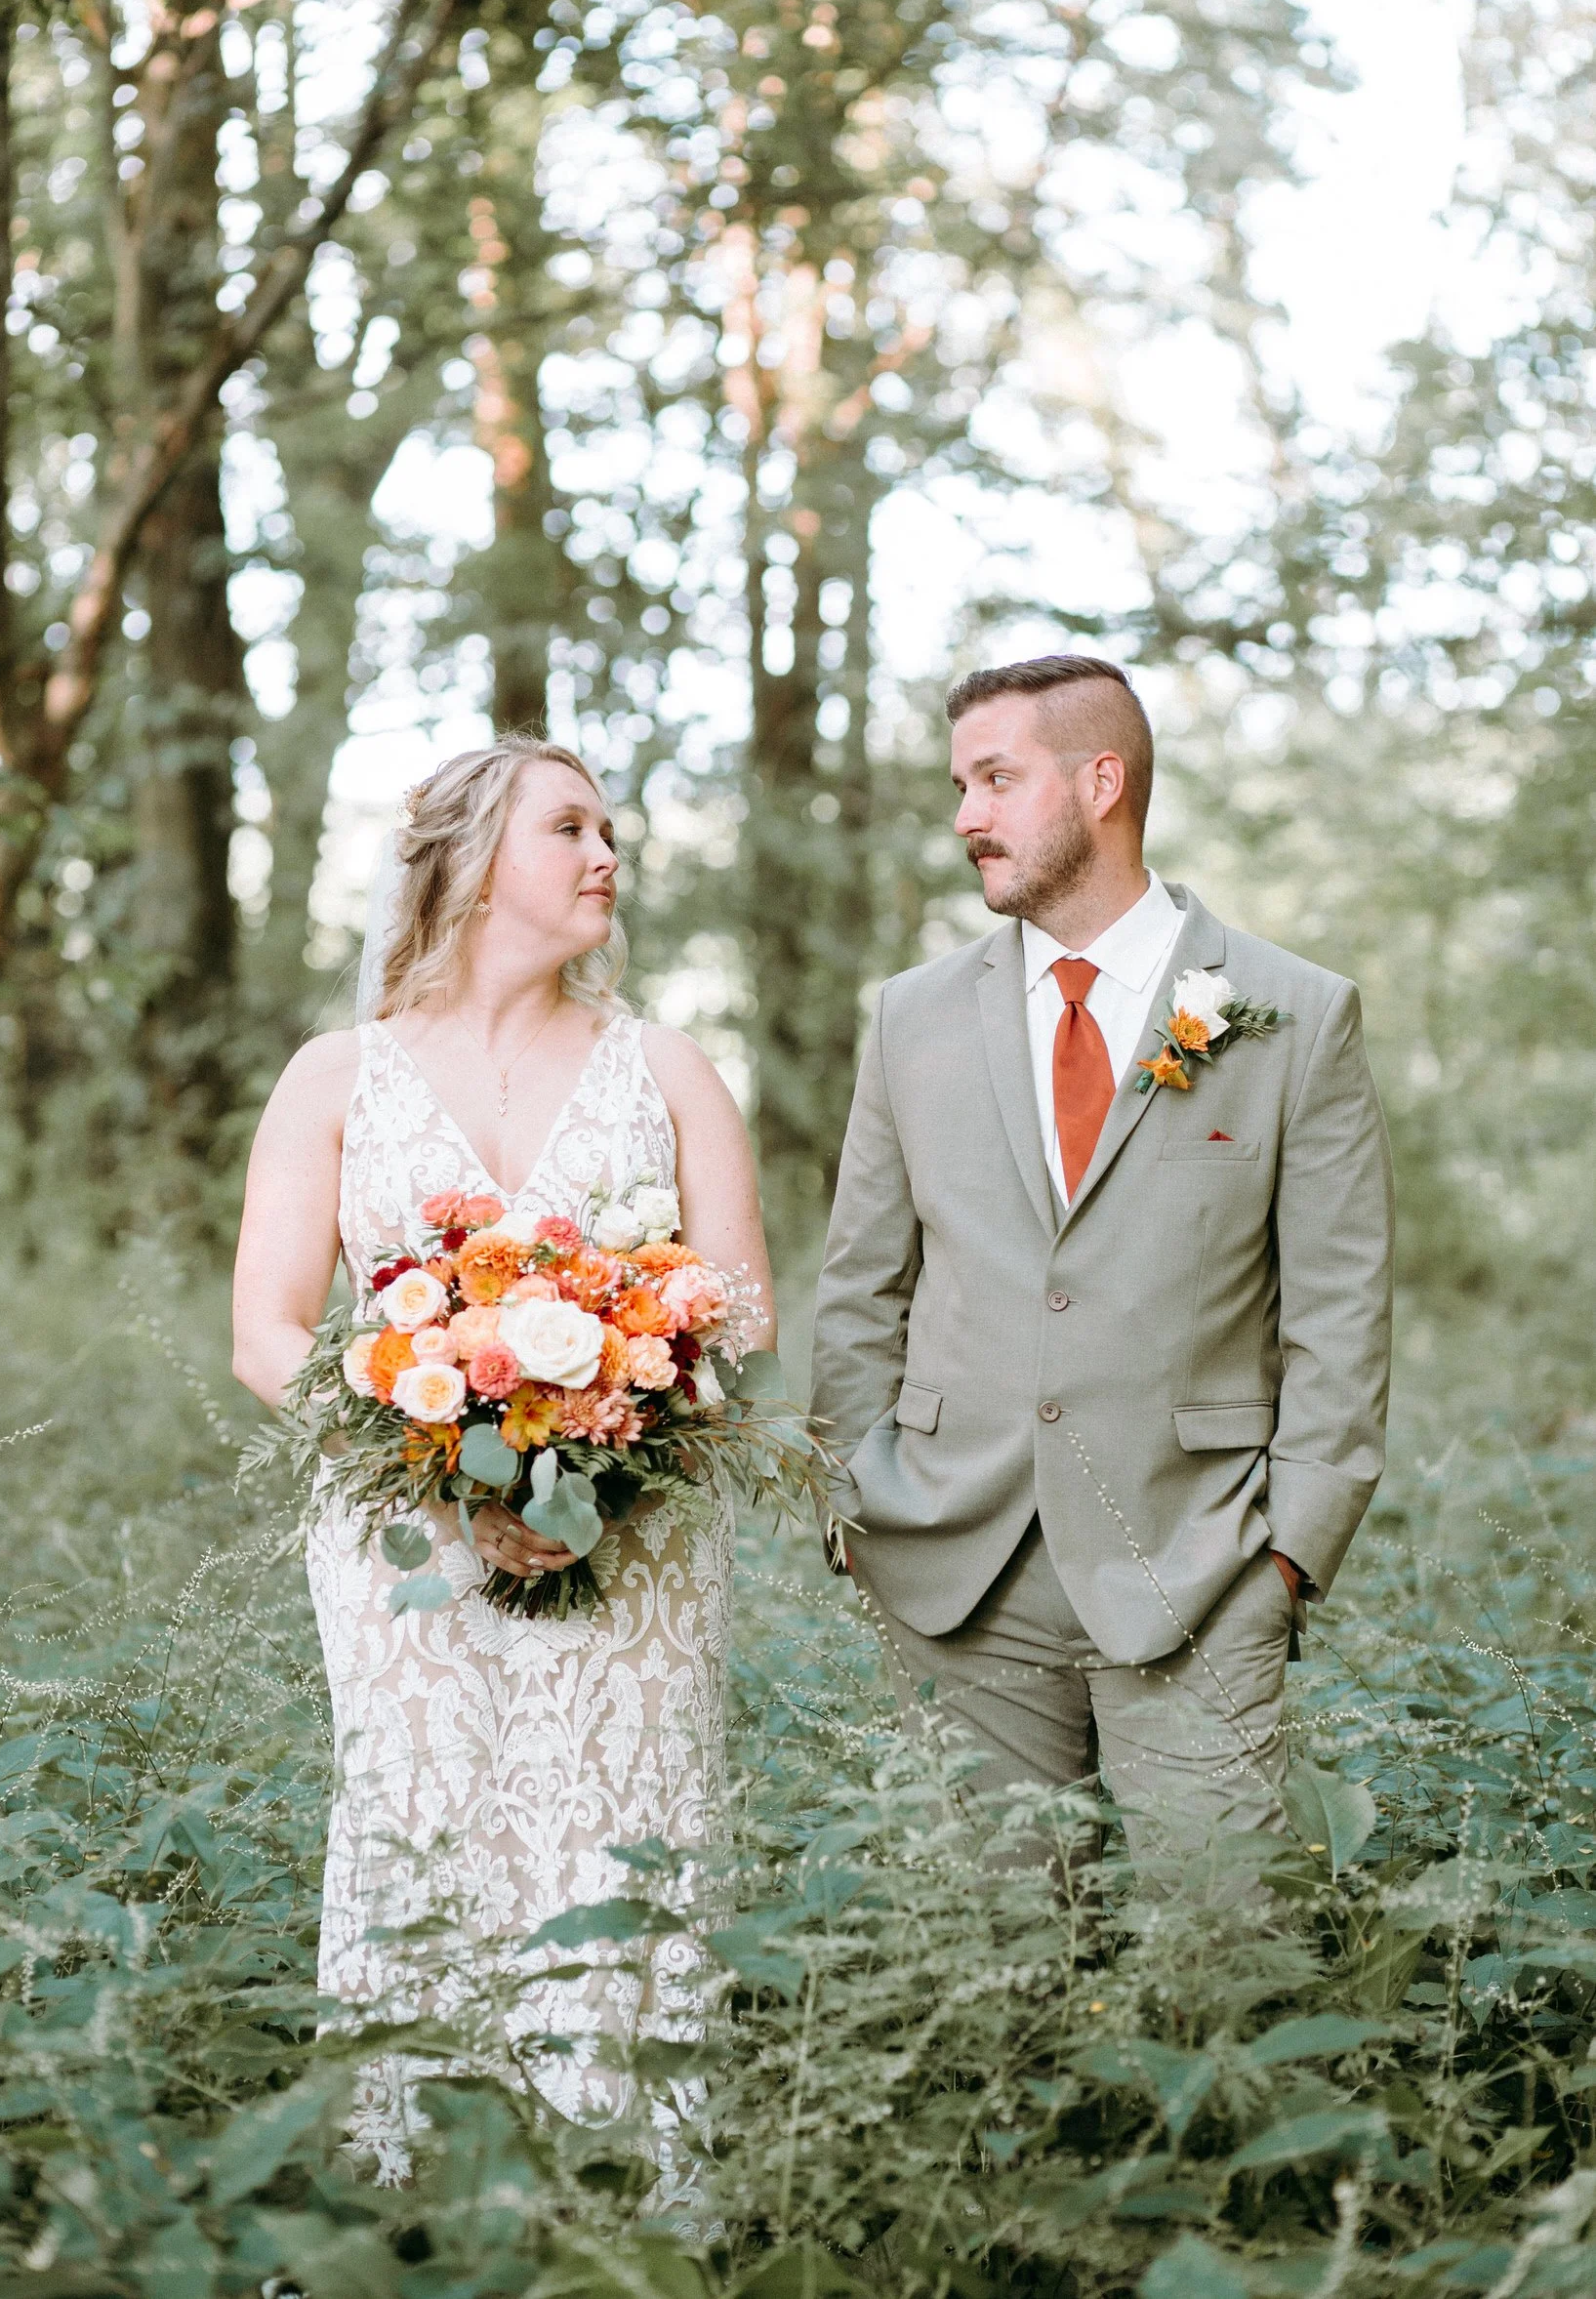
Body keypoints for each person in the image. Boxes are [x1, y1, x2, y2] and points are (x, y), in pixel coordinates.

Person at [232, 735, 773, 2185]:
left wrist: (611, 1445)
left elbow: (738, 1303)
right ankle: (409, 2185)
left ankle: (630, 2181)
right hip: (405, 1549)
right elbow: (268, 1329)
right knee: (425, 1815)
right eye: (572, 831)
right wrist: (447, 1480)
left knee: (624, 1822)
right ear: (473, 866)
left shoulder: (664, 1067)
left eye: (611, 833)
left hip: (639, 1540)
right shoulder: (334, 1076)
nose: (609, 858)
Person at [810, 655, 1394, 1882]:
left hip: (1197, 1557)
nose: (964, 815)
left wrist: (1292, 1548)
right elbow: (862, 1280)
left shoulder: (1289, 1012)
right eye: (959, 784)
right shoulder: (908, 1018)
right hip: (951, 1562)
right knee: (992, 1972)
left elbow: (1338, 1309)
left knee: (1218, 1952)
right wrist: (850, 1500)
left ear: (1100, 781)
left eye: (994, 779)